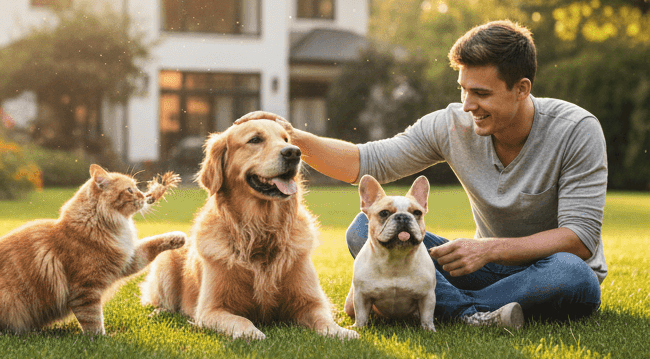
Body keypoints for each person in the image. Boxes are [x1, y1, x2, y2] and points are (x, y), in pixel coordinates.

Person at [239, 20, 606, 329]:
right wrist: (293, 135)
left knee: (571, 275)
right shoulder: (450, 125)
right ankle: (470, 313)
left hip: (547, 268)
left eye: (481, 94)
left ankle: (440, 307)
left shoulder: (576, 130)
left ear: (521, 89)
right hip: (481, 267)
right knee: (360, 229)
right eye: (463, 90)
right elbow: (367, 162)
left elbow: (579, 239)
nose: (467, 106)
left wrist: (488, 248)